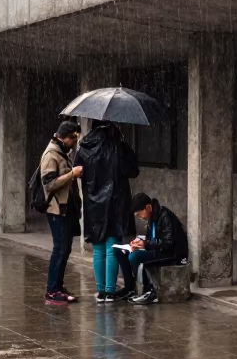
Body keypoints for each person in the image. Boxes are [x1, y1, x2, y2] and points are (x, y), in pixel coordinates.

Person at [74, 121, 140, 304]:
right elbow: (133, 171)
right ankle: (111, 292)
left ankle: (101, 291)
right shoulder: (118, 146)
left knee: (98, 250)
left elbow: (78, 171)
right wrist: (125, 145)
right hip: (115, 203)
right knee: (112, 248)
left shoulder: (84, 147)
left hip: (93, 205)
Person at [40, 120, 82, 304]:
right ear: (64, 137)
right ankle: (51, 290)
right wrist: (72, 174)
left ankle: (58, 286)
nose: (75, 142)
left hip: (67, 209)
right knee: (59, 249)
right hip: (56, 210)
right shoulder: (51, 155)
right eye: (73, 138)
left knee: (65, 249)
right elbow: (49, 184)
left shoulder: (64, 153)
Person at [120, 192, 187, 305]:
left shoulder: (165, 216)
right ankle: (131, 288)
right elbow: (150, 239)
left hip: (171, 254)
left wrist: (145, 244)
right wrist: (139, 243)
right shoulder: (153, 217)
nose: (140, 218)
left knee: (135, 256)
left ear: (147, 207)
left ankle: (149, 291)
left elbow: (168, 243)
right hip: (159, 250)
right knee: (124, 253)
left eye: (139, 214)